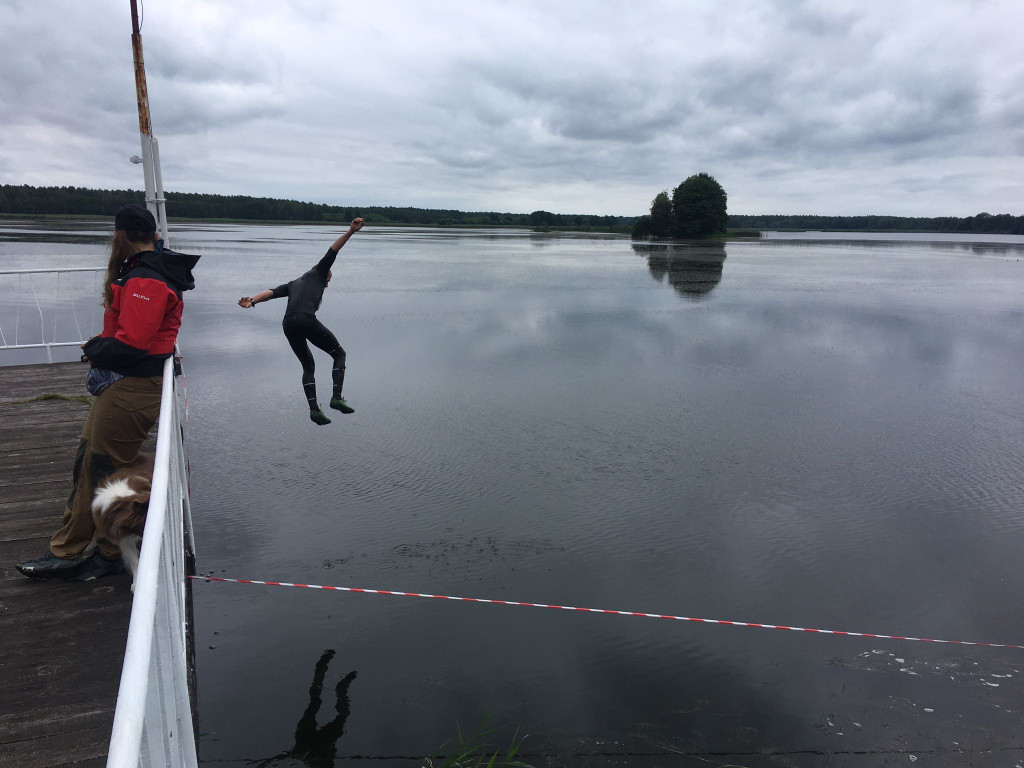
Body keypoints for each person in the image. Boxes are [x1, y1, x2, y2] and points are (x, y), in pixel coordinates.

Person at [16, 204, 200, 582]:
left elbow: (133, 345)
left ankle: (92, 553)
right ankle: (92, 548)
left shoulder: (146, 280)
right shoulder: (148, 271)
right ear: (153, 237)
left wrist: (93, 348)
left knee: (99, 468)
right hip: (128, 387)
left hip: (132, 389)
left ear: (122, 237)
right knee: (90, 463)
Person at [238, 219, 364, 425]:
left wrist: (252, 300)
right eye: (329, 279)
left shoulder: (293, 283)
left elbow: (270, 293)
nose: (328, 282)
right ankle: (336, 398)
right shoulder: (320, 271)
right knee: (339, 354)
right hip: (305, 319)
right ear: (325, 274)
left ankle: (314, 410)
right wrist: (351, 231)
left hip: (288, 323)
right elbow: (333, 251)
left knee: (308, 365)